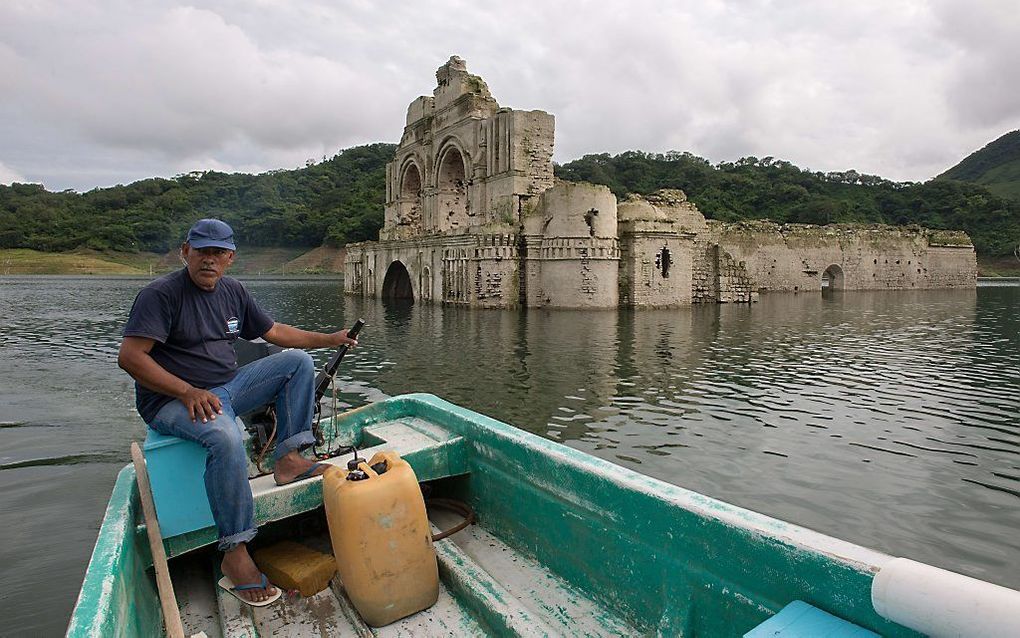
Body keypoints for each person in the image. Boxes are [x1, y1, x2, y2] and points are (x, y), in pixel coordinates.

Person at [117, 218, 357, 605]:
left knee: (296, 361)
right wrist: (185, 390)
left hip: (227, 388)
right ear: (185, 252)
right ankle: (235, 551)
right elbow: (130, 357)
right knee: (227, 437)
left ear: (230, 258)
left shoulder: (233, 291)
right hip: (171, 400)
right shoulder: (160, 295)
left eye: (217, 253)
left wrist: (329, 338)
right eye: (201, 252)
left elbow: (274, 332)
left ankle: (289, 459)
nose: (208, 260)